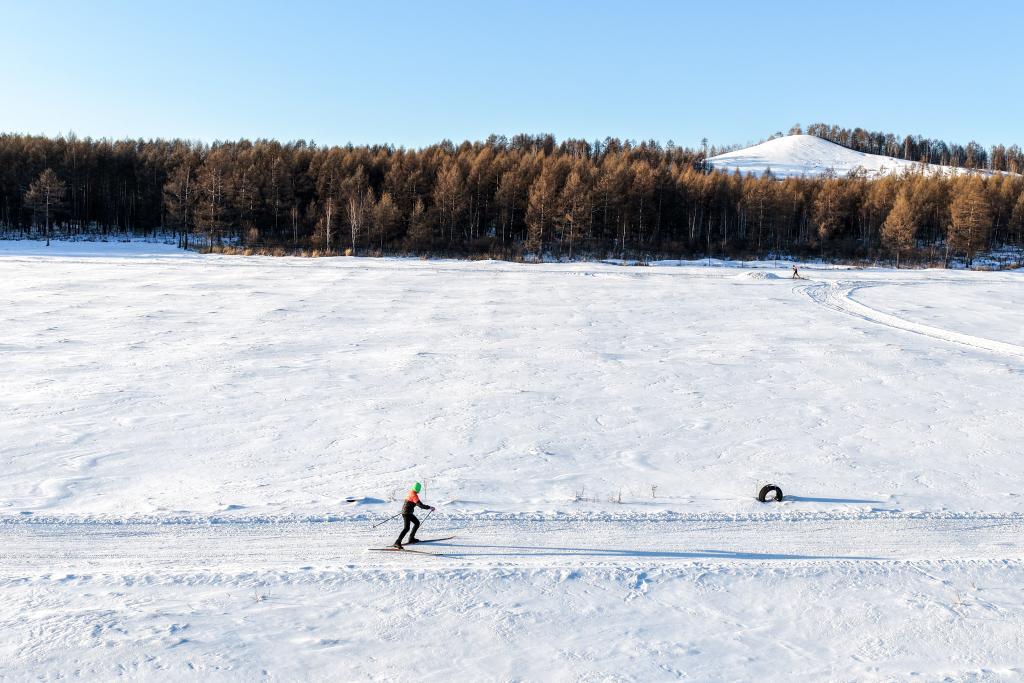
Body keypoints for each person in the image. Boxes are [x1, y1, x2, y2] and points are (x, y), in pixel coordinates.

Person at [394, 482, 434, 549]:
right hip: (407, 513)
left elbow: (410, 503)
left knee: (417, 523)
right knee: (406, 528)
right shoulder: (414, 495)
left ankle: (411, 538)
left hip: (407, 512)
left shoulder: (410, 492)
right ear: (418, 489)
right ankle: (397, 542)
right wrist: (430, 507)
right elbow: (420, 505)